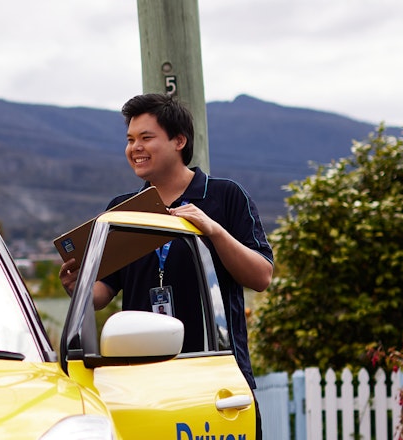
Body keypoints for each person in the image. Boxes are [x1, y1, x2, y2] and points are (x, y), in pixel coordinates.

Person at [58, 93, 274, 389]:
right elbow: (103, 293)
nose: (135, 148)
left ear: (179, 141)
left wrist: (214, 231)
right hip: (141, 380)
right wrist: (78, 287)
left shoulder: (225, 196)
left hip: (216, 376)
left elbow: (261, 276)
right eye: (130, 140)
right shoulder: (121, 210)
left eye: (146, 138)